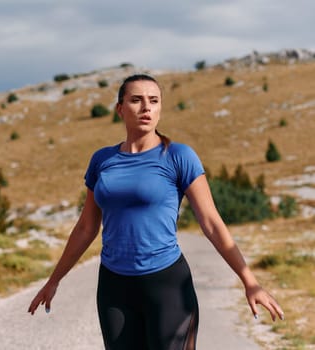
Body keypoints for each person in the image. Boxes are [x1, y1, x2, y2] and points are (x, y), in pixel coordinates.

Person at [28, 73, 284, 349]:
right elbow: (86, 227)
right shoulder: (102, 160)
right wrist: (54, 280)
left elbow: (211, 223)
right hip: (114, 287)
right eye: (136, 100)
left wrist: (250, 281)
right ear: (120, 109)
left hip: (167, 284)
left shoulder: (178, 156)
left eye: (154, 100)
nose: (146, 107)